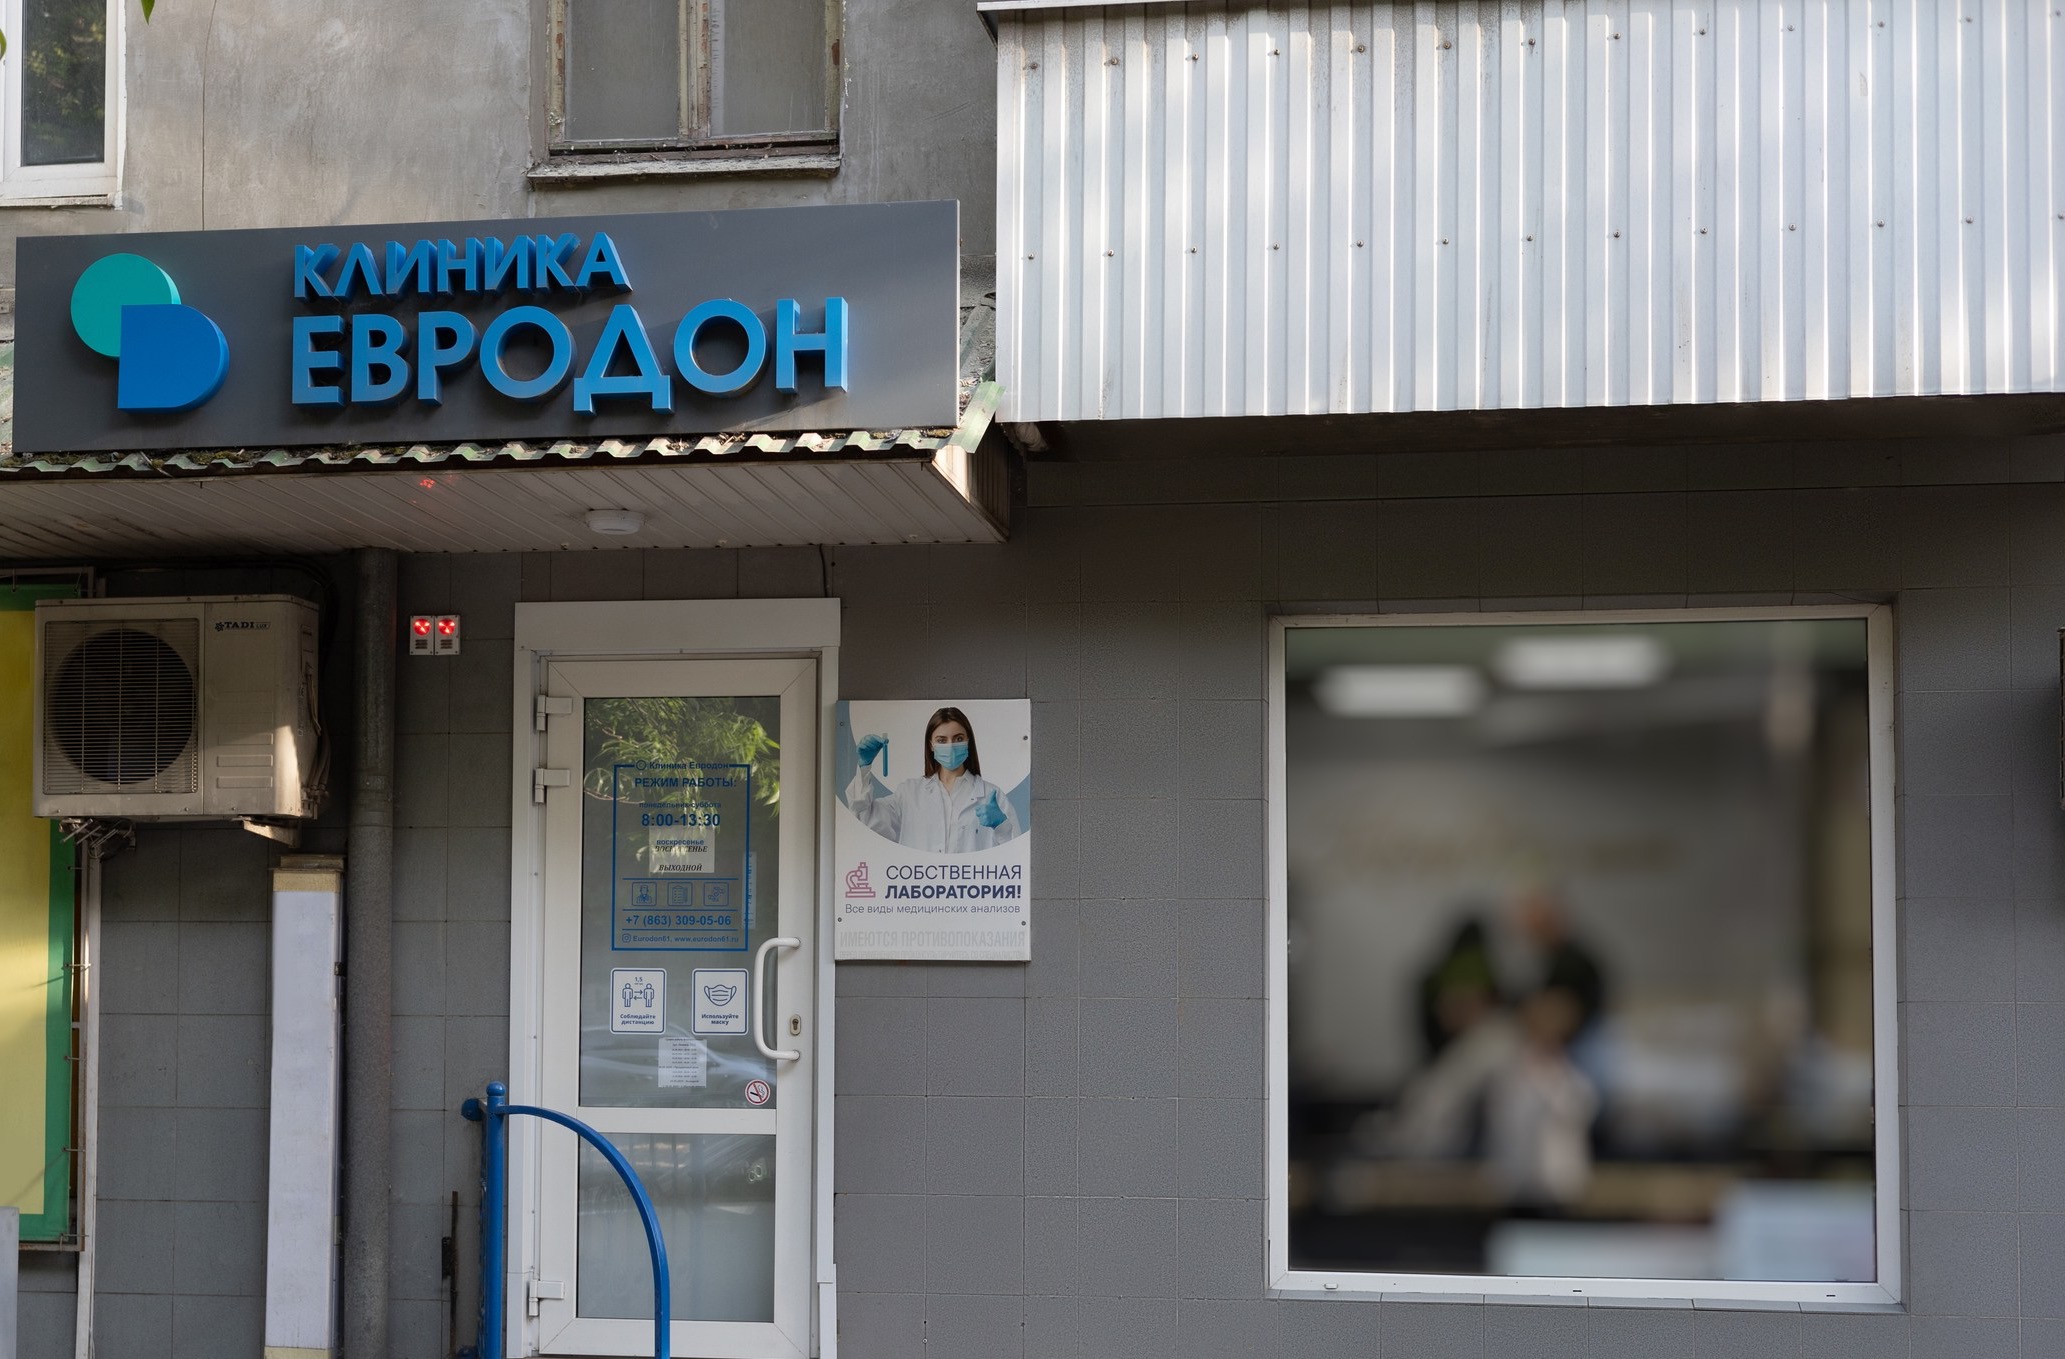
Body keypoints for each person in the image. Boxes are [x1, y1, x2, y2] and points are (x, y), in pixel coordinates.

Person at [847, 706, 1022, 853]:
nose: (951, 746)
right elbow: (866, 822)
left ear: (968, 741)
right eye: (942, 740)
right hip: (920, 883)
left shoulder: (991, 795)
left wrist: (1001, 825)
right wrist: (864, 768)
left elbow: (1017, 856)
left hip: (971, 885)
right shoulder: (909, 794)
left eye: (958, 738)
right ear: (931, 745)